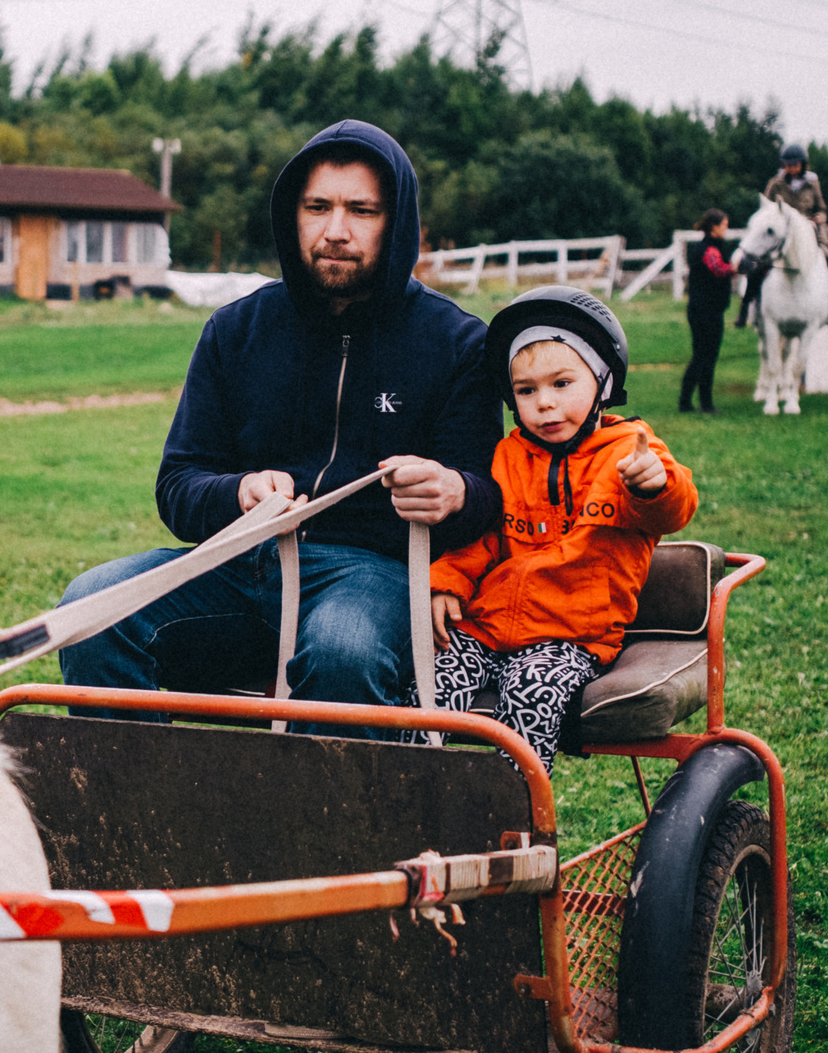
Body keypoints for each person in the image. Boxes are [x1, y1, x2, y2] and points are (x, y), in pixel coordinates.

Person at [56, 120, 502, 734]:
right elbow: (178, 484)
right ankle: (142, 814)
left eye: (362, 210)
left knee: (342, 648)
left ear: (397, 222)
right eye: (317, 207)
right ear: (292, 215)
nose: (335, 230)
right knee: (92, 606)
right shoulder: (236, 330)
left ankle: (327, 830)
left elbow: (489, 493)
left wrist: (454, 490)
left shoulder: (459, 343)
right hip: (240, 561)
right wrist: (238, 493)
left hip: (372, 574)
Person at [427, 288, 698, 772]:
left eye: (562, 384)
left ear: (603, 381)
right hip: (485, 627)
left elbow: (672, 511)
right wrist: (447, 581)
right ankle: (415, 807)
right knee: (428, 688)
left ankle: (514, 825)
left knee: (531, 695)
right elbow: (485, 537)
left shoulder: (627, 452)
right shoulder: (509, 455)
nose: (545, 405)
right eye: (527, 391)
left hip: (570, 637)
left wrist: (653, 484)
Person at [742, 144, 828, 326]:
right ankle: (746, 306)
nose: (791, 168)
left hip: (810, 236)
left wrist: (819, 218)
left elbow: (822, 208)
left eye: (794, 165)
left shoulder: (812, 183)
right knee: (759, 265)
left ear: (803, 164)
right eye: (787, 165)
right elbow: (767, 209)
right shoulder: (775, 184)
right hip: (781, 238)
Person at [678, 208, 736, 413]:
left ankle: (689, 401)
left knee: (702, 356)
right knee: (705, 357)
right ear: (714, 227)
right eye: (724, 226)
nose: (726, 229)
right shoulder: (709, 250)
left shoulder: (707, 247)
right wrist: (738, 267)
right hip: (706, 312)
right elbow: (719, 269)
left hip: (703, 310)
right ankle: (702, 403)